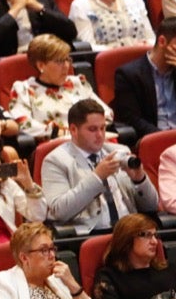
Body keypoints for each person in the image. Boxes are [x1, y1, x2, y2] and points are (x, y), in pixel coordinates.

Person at [41, 99, 157, 235]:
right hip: (91, 234)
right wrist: (97, 177)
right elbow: (58, 212)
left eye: (102, 128)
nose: (100, 135)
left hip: (130, 232)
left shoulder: (120, 151)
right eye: (92, 129)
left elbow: (151, 206)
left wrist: (139, 180)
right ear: (73, 130)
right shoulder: (56, 160)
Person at [111, 17, 176, 139]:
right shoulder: (129, 74)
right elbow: (131, 119)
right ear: (162, 41)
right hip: (153, 139)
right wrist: (164, 138)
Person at [7, 35, 112, 140]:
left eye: (67, 59)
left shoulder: (77, 83)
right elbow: (23, 124)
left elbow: (106, 113)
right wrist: (59, 132)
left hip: (91, 139)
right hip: (54, 145)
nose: (66, 66)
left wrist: (89, 129)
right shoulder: (24, 89)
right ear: (41, 66)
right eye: (59, 61)